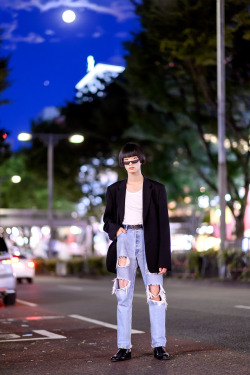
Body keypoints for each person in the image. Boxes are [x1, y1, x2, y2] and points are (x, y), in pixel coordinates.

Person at [103, 142, 171, 361]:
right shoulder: (114, 190)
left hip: (149, 241)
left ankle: (159, 345)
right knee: (123, 295)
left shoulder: (156, 188)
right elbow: (107, 220)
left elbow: (163, 225)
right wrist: (117, 230)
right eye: (126, 162)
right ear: (123, 164)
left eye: (134, 161)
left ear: (141, 160)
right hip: (124, 241)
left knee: (156, 295)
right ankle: (124, 347)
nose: (130, 165)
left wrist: (164, 258)